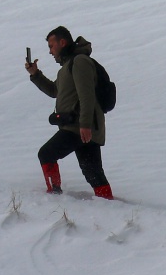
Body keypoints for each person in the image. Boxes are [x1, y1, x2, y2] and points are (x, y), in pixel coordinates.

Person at [25, 26, 113, 199]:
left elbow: (86, 95)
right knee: (92, 172)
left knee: (46, 153)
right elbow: (54, 91)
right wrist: (35, 74)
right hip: (84, 127)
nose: (50, 51)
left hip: (79, 127)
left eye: (51, 46)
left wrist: (85, 125)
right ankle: (109, 203)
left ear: (62, 42)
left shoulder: (79, 62)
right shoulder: (67, 67)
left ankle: (54, 195)